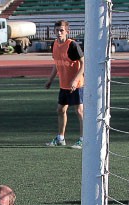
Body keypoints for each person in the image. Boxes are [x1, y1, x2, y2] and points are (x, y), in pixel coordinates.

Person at [44, 20, 85, 149]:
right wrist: (50, 80)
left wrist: (75, 80)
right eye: (57, 30)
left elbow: (84, 64)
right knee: (61, 110)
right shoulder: (55, 45)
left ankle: (84, 139)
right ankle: (60, 138)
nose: (59, 33)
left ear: (67, 31)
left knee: (79, 111)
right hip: (64, 85)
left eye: (61, 30)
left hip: (76, 85)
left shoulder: (72, 45)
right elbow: (57, 64)